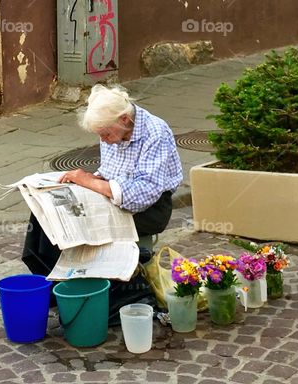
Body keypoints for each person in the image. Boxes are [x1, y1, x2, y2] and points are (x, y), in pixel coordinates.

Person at [21, 83, 182, 277]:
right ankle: (45, 274)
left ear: (125, 119)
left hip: (152, 209)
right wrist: (90, 178)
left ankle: (72, 277)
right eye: (100, 135)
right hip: (118, 195)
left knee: (80, 217)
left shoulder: (155, 132)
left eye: (105, 134)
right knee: (49, 209)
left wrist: (89, 182)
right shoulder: (114, 127)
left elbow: (143, 194)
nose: (103, 140)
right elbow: (109, 171)